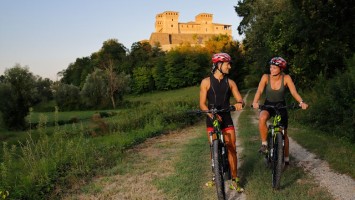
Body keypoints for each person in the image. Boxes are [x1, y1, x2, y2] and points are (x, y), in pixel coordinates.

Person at [200, 52, 244, 192]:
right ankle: (215, 177)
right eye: (227, 64)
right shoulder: (206, 82)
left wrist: (239, 103)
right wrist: (211, 115)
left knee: (231, 147)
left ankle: (235, 180)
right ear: (218, 65)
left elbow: (240, 99)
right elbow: (202, 104)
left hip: (226, 117)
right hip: (211, 117)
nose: (229, 67)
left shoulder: (230, 82)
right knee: (213, 148)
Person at [252, 56, 309, 166]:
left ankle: (286, 159)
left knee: (284, 134)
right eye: (270, 67)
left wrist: (301, 102)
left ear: (280, 69)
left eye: (274, 68)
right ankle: (264, 144)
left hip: (281, 106)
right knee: (262, 117)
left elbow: (293, 92)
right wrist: (255, 101)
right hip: (268, 104)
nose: (271, 69)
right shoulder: (265, 77)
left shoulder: (286, 78)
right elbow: (259, 90)